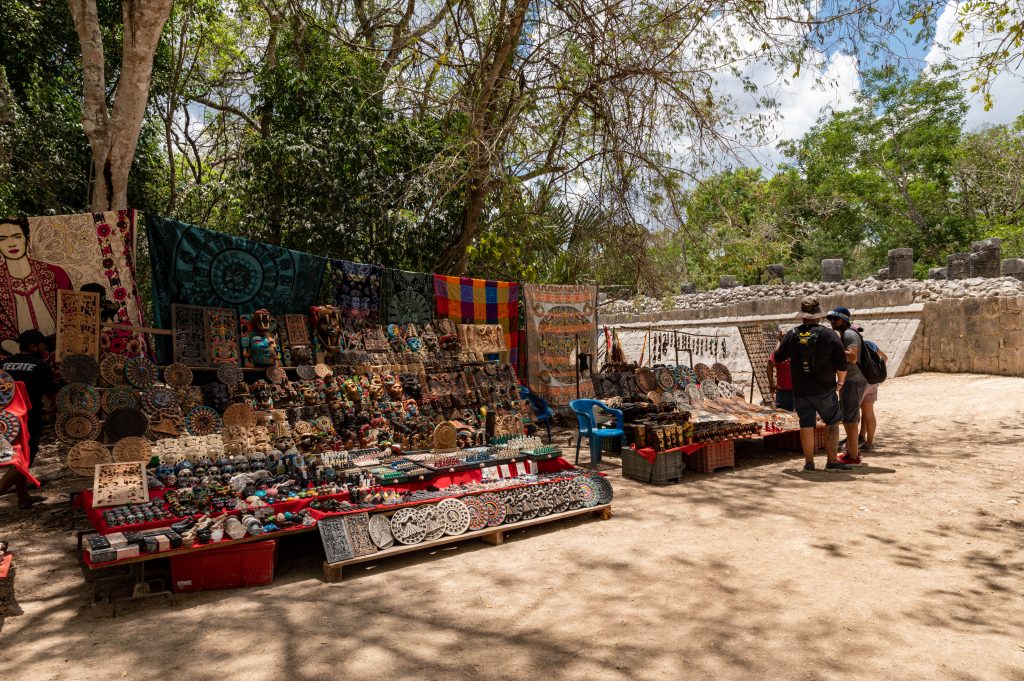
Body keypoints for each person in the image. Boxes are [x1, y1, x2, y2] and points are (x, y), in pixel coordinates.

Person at [774, 296, 851, 471]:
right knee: (832, 421)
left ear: (802, 315)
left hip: (800, 389)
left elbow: (778, 357)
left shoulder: (792, 334)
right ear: (818, 315)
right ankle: (832, 461)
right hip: (824, 388)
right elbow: (841, 363)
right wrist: (841, 382)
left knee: (806, 424)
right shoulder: (829, 335)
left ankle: (809, 463)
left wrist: (781, 341)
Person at [0, 329, 55, 507]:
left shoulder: (4, 363)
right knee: (23, 460)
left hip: (4, 419)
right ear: (33, 346)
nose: (44, 349)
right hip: (27, 419)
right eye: (42, 345)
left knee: (17, 457)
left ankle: (23, 497)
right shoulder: (40, 366)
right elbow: (51, 394)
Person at [0, 216, 73, 350]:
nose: (11, 244)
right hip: (15, 352)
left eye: (16, 236)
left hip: (60, 347)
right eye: (2, 239)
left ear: (26, 238)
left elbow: (73, 313)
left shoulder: (54, 273)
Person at [826, 306, 867, 465]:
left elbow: (852, 357)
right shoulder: (846, 334)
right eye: (830, 319)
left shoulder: (849, 334)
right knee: (851, 417)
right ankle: (852, 451)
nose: (832, 322)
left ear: (844, 319)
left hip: (852, 381)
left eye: (835, 319)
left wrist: (833, 348)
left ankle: (854, 456)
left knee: (849, 419)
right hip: (852, 381)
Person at [859, 337, 887, 451]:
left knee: (855, 413)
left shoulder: (852, 346)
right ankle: (868, 442)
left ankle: (856, 440)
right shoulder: (870, 344)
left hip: (860, 382)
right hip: (872, 382)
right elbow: (884, 358)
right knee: (868, 412)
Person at [767, 331, 794, 411]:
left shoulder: (796, 351)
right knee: (784, 416)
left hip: (797, 389)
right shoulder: (777, 353)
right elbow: (769, 366)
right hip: (783, 391)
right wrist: (771, 384)